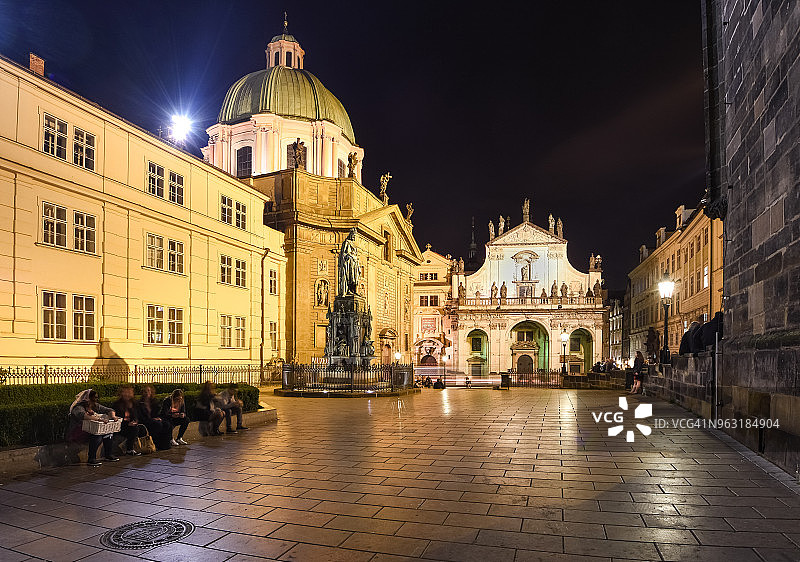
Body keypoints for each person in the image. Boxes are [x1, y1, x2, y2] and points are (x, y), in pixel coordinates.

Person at [68, 389, 120, 466]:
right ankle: (91, 458)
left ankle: (108, 455)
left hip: (92, 428)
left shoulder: (95, 406)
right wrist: (99, 419)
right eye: (94, 398)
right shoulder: (78, 408)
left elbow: (109, 410)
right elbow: (83, 415)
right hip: (79, 430)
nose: (96, 400)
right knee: (97, 435)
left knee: (108, 433)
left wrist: (113, 416)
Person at [137, 385, 172, 450]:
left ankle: (165, 445)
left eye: (148, 391)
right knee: (157, 424)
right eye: (145, 391)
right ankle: (155, 444)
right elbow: (141, 417)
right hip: (145, 421)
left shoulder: (154, 402)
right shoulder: (139, 403)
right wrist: (152, 419)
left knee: (167, 424)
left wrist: (159, 418)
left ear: (151, 392)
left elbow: (159, 413)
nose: (147, 393)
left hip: (154, 419)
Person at [112, 385, 143, 456]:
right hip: (121, 425)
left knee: (140, 427)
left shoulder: (134, 404)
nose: (127, 395)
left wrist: (135, 421)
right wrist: (127, 424)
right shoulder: (117, 405)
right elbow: (117, 418)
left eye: (129, 393)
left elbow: (137, 415)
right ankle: (129, 449)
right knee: (134, 429)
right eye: (125, 393)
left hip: (131, 424)